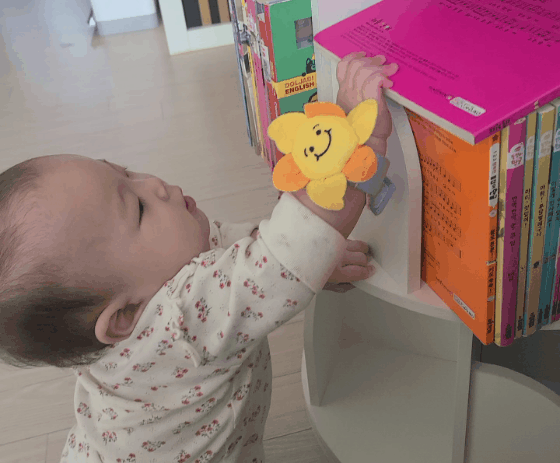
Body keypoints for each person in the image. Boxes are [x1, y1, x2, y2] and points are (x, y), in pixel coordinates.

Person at [0, 53, 398, 463]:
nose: (155, 184)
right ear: (124, 315)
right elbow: (286, 253)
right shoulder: (179, 324)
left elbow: (247, 258)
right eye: (138, 208)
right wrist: (355, 137)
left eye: (127, 172)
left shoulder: (139, 295)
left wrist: (313, 262)